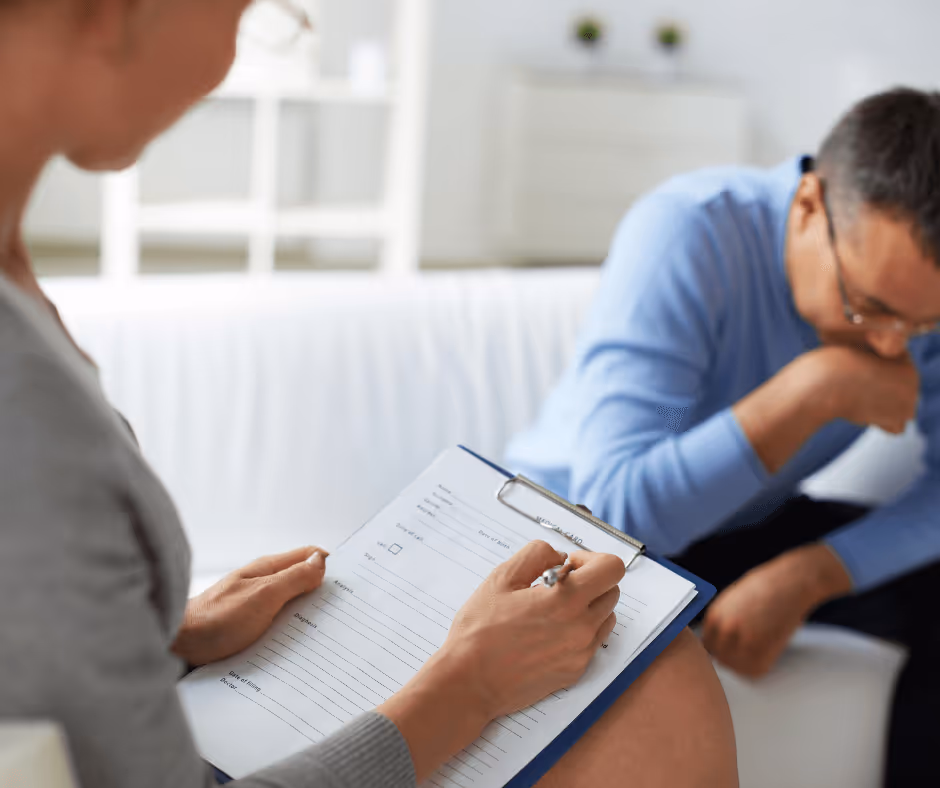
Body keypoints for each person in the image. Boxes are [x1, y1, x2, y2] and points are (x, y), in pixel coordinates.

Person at [0, 1, 738, 787]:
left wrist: (160, 636)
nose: (228, 60)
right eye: (248, 11)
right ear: (117, 12)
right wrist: (470, 684)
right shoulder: (23, 399)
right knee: (652, 685)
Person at [507, 87, 940, 785]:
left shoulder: (920, 299)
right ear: (806, 207)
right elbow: (616, 515)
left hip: (740, 526)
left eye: (919, 327)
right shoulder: (689, 231)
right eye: (869, 309)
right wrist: (812, 388)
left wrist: (815, 572)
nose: (892, 348)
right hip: (567, 531)